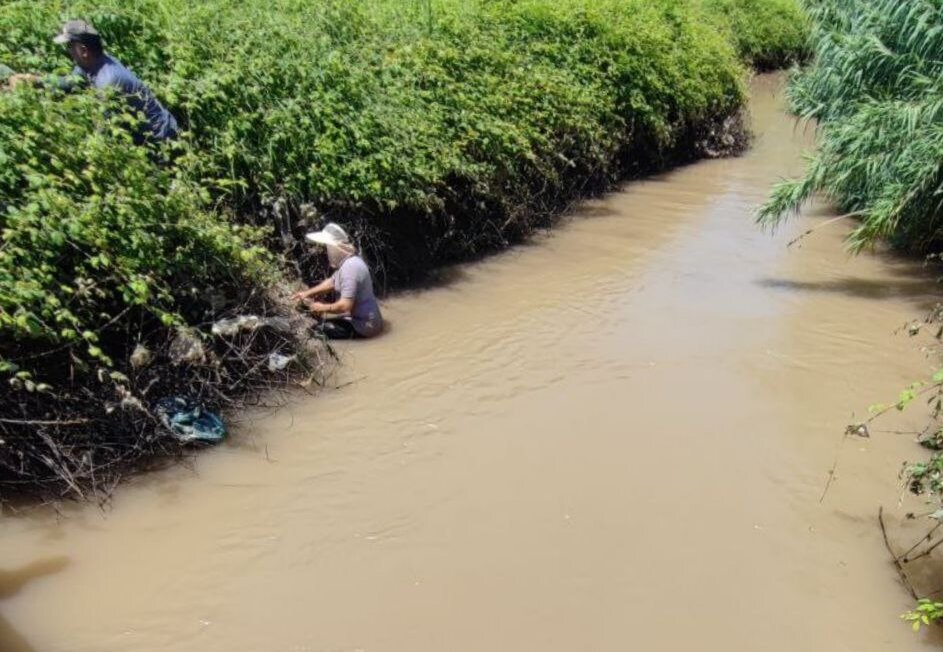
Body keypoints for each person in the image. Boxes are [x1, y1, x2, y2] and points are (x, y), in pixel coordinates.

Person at [9, 20, 178, 142]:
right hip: (146, 132)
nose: (68, 52)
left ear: (83, 50)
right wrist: (33, 80)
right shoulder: (90, 64)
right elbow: (69, 82)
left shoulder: (108, 80)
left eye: (69, 46)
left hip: (160, 139)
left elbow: (103, 131)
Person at [290, 223, 383, 339]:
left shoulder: (350, 268)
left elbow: (345, 306)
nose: (326, 251)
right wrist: (307, 293)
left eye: (328, 247)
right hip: (371, 322)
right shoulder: (352, 261)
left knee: (316, 330)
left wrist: (321, 308)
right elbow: (332, 282)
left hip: (365, 327)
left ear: (335, 248)